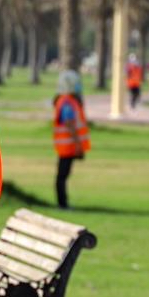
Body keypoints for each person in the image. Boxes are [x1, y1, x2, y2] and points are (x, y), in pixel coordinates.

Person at [52, 69, 91, 209]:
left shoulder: (68, 100)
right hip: (67, 147)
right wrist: (78, 144)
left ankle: (63, 202)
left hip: (67, 146)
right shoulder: (67, 102)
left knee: (63, 174)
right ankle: (62, 204)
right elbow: (69, 123)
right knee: (62, 175)